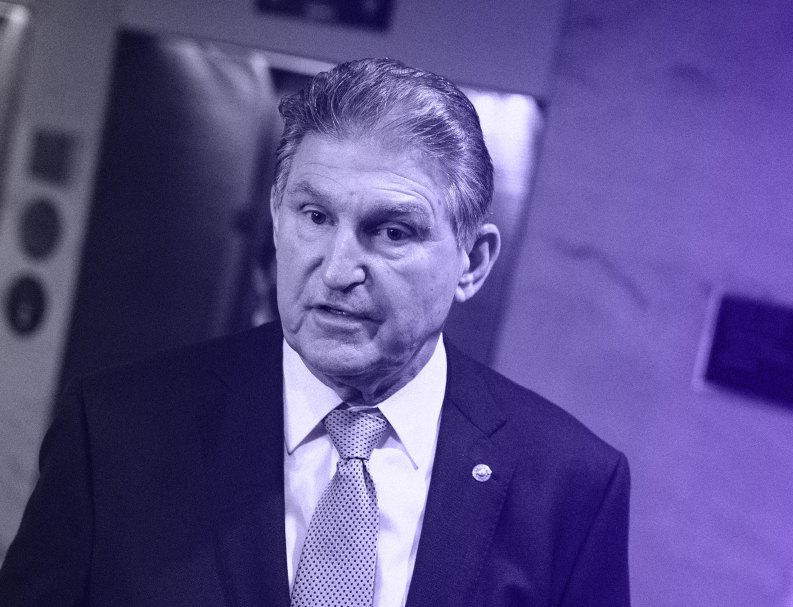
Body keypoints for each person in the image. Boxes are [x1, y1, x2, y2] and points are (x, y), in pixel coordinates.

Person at [0, 58, 630, 606]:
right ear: (277, 220)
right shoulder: (117, 431)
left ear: (473, 263)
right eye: (316, 216)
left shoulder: (569, 486)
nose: (337, 270)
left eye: (392, 231)